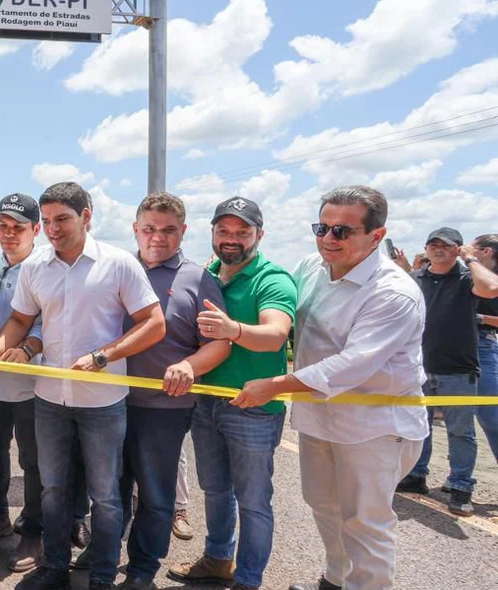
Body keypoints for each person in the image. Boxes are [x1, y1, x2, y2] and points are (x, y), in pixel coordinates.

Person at [228, 186, 425, 590]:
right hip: (319, 418)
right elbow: (276, 302)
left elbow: (351, 365)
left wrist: (275, 384)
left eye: (342, 231)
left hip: (373, 427)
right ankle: (335, 581)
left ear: (376, 235)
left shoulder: (393, 292)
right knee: (324, 506)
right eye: (322, 227)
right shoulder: (312, 267)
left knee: (365, 523)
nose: (328, 239)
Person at [0, 181, 165, 590]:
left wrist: (105, 356)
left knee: (105, 495)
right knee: (52, 489)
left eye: (62, 219)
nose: (53, 229)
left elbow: (154, 324)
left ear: (86, 215)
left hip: (103, 401)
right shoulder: (35, 267)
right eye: (46, 221)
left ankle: (100, 575)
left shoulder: (118, 264)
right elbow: (20, 322)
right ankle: (55, 566)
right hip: (49, 399)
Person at [168, 196, 297, 590]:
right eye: (224, 230)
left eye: (243, 231)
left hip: (253, 409)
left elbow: (276, 336)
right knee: (216, 490)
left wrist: (233, 330)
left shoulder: (272, 278)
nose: (231, 238)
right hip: (208, 403)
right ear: (212, 233)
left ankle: (248, 579)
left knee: (253, 501)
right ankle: (218, 559)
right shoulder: (209, 272)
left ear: (260, 234)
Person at [118, 192, 231, 590]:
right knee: (108, 488)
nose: (158, 238)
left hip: (164, 408)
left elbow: (220, 343)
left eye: (168, 230)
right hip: (107, 404)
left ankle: (142, 569)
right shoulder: (119, 268)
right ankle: (102, 556)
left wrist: (189, 366)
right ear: (135, 229)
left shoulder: (199, 279)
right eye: (149, 229)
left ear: (183, 232)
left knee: (155, 495)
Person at [397, 226, 498, 515]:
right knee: (419, 427)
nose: (438, 249)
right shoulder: (416, 279)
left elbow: (491, 288)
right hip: (420, 366)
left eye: (447, 245)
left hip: (459, 368)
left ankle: (460, 486)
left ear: (458, 249)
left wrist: (472, 260)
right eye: (433, 244)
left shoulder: (468, 279)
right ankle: (416, 475)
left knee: (461, 432)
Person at [0, 194, 45, 573]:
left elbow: (48, 321)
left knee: (32, 461)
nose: (9, 234)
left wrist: (28, 349)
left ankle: (33, 530)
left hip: (32, 382)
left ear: (37, 229)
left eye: (18, 228)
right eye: (3, 227)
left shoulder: (45, 265)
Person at [472, 234, 498, 468]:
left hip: (483, 344)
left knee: (491, 417)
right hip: (460, 345)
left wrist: (480, 318)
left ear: (487, 252)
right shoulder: (470, 275)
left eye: (474, 248)